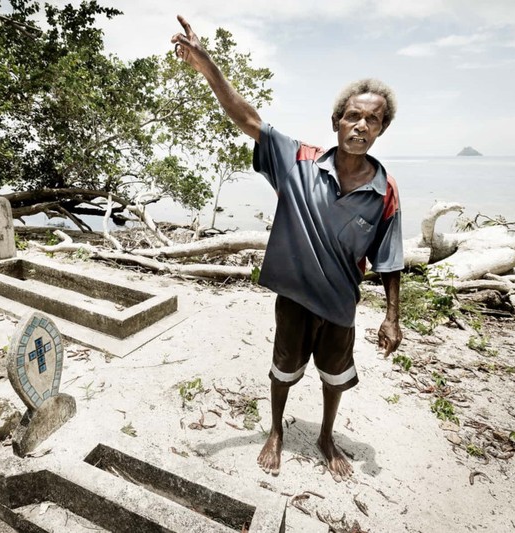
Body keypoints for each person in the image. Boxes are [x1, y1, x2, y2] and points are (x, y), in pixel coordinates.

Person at [171, 15, 404, 482]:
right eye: (353, 116)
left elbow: (390, 259)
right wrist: (206, 63)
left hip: (340, 303)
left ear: (381, 129)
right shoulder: (297, 160)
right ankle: (274, 430)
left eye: (372, 119)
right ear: (337, 121)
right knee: (283, 369)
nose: (361, 125)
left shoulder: (385, 190)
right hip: (294, 297)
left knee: (335, 376)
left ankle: (325, 435)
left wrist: (392, 315)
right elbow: (246, 116)